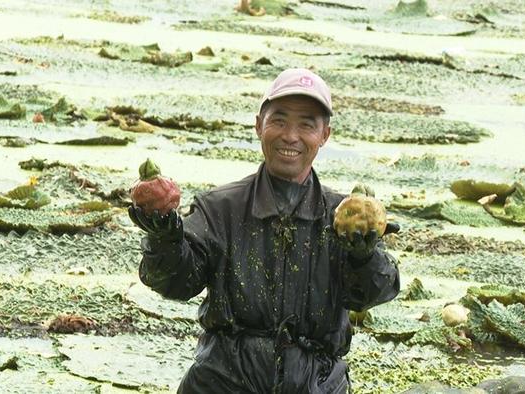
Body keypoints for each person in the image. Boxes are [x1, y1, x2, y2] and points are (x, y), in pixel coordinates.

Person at [128, 68, 400, 393]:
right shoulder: (220, 208)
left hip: (318, 385)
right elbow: (175, 283)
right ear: (259, 125)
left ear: (324, 135)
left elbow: (371, 295)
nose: (290, 136)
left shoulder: (343, 217)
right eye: (279, 121)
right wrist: (164, 240)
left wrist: (365, 257)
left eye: (306, 125)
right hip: (222, 382)